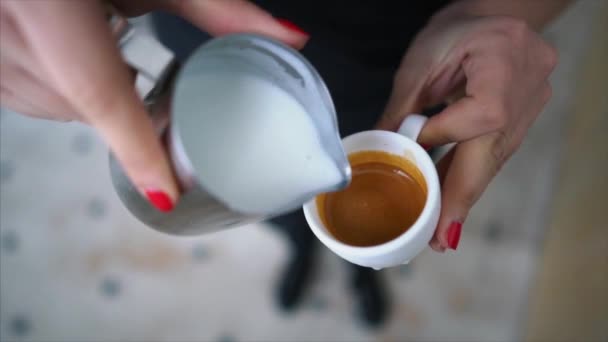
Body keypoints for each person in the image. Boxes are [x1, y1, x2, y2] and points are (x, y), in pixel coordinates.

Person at [0, 0, 570, 327]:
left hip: (409, 60)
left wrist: (487, 13)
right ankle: (301, 247)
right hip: (226, 66)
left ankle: (355, 266)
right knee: (283, 211)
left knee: (340, 205)